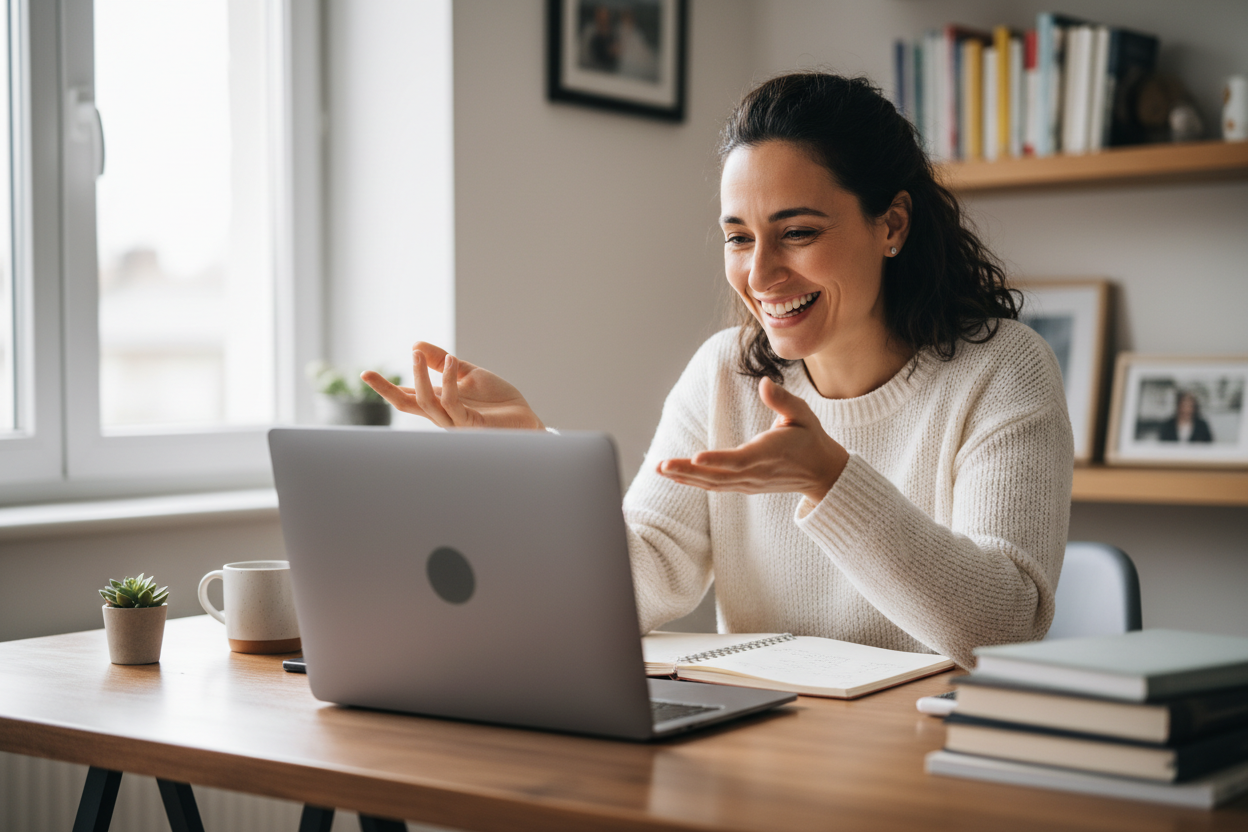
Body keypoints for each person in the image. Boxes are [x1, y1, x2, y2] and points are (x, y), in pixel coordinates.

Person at [362, 73, 1073, 669]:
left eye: (797, 232)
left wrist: (829, 478)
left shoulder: (1002, 370)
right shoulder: (724, 375)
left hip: (933, 760)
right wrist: (526, 458)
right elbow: (632, 585)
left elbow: (1004, 624)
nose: (760, 274)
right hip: (769, 746)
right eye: (740, 238)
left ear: (891, 226)